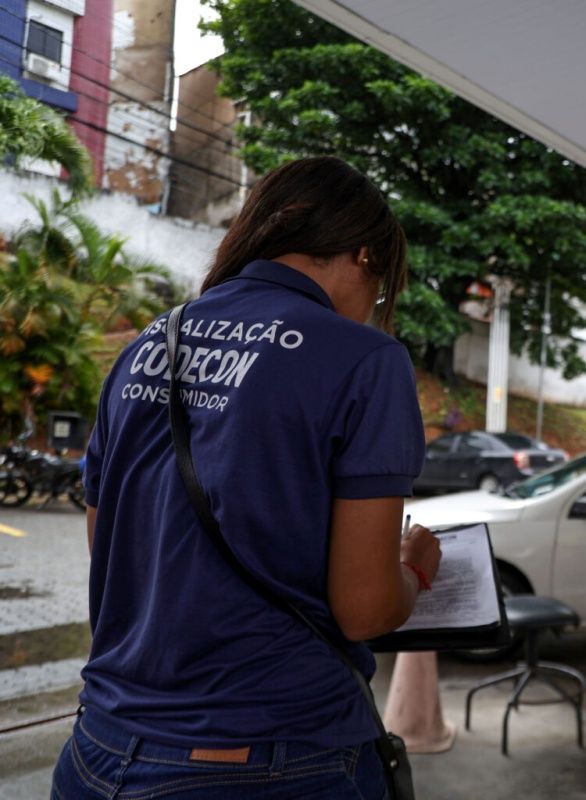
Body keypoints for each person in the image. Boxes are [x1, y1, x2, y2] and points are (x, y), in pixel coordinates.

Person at [53, 156, 442, 799]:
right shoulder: (367, 361)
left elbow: (116, 548)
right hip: (269, 759)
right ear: (366, 256)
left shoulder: (150, 343)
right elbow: (365, 607)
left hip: (98, 750)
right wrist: (416, 569)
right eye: (381, 291)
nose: (372, 309)